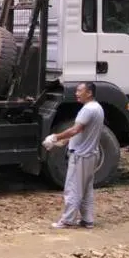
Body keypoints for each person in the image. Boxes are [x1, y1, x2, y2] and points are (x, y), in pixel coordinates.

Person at [46, 81, 105, 229]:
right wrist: (65, 141)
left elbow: (75, 130)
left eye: (80, 91)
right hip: (91, 155)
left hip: (81, 156)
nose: (77, 94)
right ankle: (87, 220)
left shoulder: (87, 110)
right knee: (86, 190)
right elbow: (83, 132)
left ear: (89, 93)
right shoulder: (97, 108)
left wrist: (55, 137)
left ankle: (67, 220)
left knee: (73, 188)